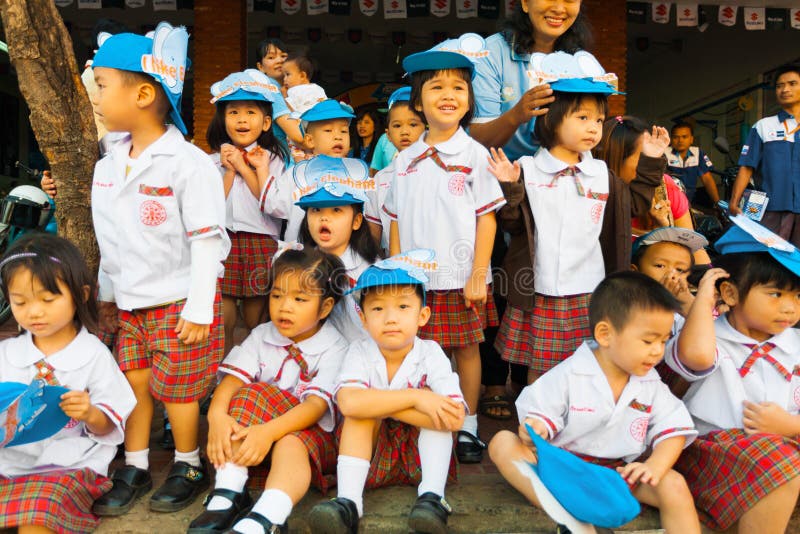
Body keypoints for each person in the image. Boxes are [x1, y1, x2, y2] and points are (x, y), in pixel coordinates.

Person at [89, 24, 230, 515]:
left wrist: (198, 307)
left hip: (177, 299)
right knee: (136, 383)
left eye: (103, 85)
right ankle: (135, 462)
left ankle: (188, 463)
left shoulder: (189, 164)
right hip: (131, 301)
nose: (96, 96)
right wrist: (108, 295)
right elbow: (109, 240)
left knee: (181, 391)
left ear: (144, 93)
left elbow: (208, 240)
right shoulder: (107, 165)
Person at [487, 53, 665, 385]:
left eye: (598, 120)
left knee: (587, 368)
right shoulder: (526, 168)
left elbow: (635, 206)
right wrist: (509, 189)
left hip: (590, 289)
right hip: (541, 289)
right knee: (540, 372)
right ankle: (535, 426)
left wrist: (651, 162)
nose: (593, 128)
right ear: (552, 119)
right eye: (582, 117)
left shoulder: (602, 174)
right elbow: (510, 225)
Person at [489, 271, 701, 534]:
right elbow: (540, 415)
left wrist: (654, 466)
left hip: (617, 475)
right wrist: (537, 429)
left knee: (674, 484)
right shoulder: (570, 372)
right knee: (502, 443)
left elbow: (674, 429)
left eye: (663, 340)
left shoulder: (651, 384)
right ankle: (571, 520)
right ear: (605, 334)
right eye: (648, 340)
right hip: (564, 472)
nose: (658, 351)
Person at [384, 38, 507, 463]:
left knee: (468, 349)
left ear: (470, 100)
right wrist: (397, 272)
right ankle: (427, 419)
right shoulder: (404, 160)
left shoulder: (475, 155)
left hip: (460, 278)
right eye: (436, 87)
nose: (448, 95)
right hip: (415, 280)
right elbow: (395, 219)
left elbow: (486, 218)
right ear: (417, 103)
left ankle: (469, 424)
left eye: (458, 87)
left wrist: (478, 274)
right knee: (421, 352)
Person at [187, 247, 350, 534]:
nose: (285, 306)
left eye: (300, 299)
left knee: (291, 442)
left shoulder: (335, 347)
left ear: (324, 308)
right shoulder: (263, 335)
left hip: (308, 437)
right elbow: (232, 383)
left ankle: (270, 512)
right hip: (257, 441)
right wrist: (216, 417)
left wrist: (269, 432)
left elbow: (315, 407)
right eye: (277, 296)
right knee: (244, 395)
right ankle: (230, 490)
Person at [307, 253, 465, 534]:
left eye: (403, 306)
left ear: (422, 316)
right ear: (364, 319)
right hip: (374, 457)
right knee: (360, 415)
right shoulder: (360, 351)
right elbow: (348, 402)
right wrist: (417, 398)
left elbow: (455, 419)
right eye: (378, 309)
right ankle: (349, 504)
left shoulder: (430, 354)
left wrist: (380, 403)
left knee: (438, 410)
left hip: (419, 457)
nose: (391, 318)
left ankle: (431, 499)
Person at [667, 216, 800, 534]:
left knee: (781, 459)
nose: (790, 308)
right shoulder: (708, 337)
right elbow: (696, 356)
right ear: (729, 292)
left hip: (784, 442)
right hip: (714, 451)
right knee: (781, 466)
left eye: (797, 297)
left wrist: (791, 425)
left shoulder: (794, 344)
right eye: (775, 294)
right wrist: (704, 297)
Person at [0, 234, 136, 533]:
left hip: (66, 467)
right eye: (20, 302)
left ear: (81, 294)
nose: (34, 312)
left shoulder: (94, 356)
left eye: (48, 299)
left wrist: (89, 413)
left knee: (36, 516)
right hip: (7, 462)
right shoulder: (5, 353)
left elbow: (109, 425)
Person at [207, 71, 289, 354]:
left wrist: (245, 168)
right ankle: (221, 376)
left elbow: (272, 204)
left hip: (260, 242)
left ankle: (258, 370)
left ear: (266, 122)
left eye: (251, 112)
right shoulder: (210, 161)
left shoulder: (274, 160)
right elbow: (210, 206)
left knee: (258, 318)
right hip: (224, 241)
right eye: (233, 112)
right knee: (223, 317)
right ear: (222, 119)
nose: (242, 119)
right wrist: (229, 171)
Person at [469, 0, 593, 160]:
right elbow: (477, 142)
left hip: (561, 176)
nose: (559, 9)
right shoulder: (489, 54)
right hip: (499, 177)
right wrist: (515, 115)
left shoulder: (580, 60)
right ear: (526, 3)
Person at [595, 115, 712, 265]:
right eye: (645, 156)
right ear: (617, 158)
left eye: (655, 153)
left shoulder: (666, 188)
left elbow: (695, 250)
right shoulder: (593, 193)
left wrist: (663, 233)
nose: (653, 162)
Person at [631, 227, 725, 394]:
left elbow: (708, 344)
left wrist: (688, 306)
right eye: (660, 265)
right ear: (635, 272)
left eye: (680, 270)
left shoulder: (684, 316)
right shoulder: (623, 305)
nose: (671, 274)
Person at [295, 162, 380, 341]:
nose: (324, 217)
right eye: (316, 210)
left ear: (356, 221)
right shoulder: (296, 265)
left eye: (336, 210)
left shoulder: (372, 272)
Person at [260, 99, 357, 242]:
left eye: (344, 131)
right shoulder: (297, 173)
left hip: (344, 256)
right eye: (328, 130)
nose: (338, 136)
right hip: (302, 255)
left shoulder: (356, 173)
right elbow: (274, 205)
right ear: (310, 140)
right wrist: (261, 168)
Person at [730, 64, 800, 247]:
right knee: (767, 262)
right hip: (771, 209)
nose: (785, 89)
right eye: (779, 86)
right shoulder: (763, 126)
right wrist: (734, 200)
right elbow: (747, 166)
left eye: (792, 83)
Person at [363, 86, 426, 250]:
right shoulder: (380, 179)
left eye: (413, 124)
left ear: (427, 129)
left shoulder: (440, 172)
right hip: (394, 266)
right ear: (388, 135)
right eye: (397, 126)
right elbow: (374, 232)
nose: (405, 131)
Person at [251, 38, 306, 152]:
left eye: (283, 56)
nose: (279, 60)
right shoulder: (269, 88)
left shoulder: (290, 91)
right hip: (280, 161)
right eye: (271, 57)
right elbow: (298, 136)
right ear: (260, 67)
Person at [664, 122, 719, 208]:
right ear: (671, 139)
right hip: (669, 203)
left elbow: (707, 180)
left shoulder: (698, 153)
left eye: (684, 137)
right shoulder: (663, 153)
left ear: (691, 139)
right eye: (676, 137)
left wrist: (717, 204)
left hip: (690, 202)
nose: (680, 140)